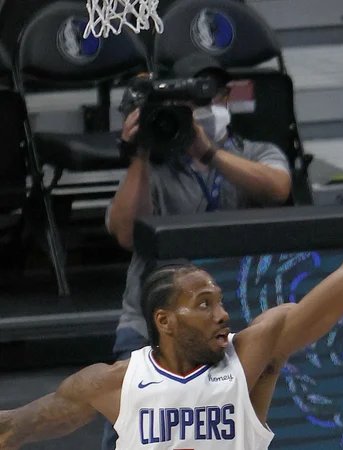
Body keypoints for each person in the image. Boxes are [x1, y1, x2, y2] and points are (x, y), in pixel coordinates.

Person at [0, 154, 343, 450]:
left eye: (219, 301)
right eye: (205, 303)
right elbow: (13, 430)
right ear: (165, 320)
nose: (223, 314)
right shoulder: (111, 383)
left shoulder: (253, 354)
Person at [101, 53, 293, 449]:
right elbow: (123, 232)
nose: (204, 110)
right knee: (127, 431)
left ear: (225, 98)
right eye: (193, 103)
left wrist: (207, 153)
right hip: (151, 324)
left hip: (227, 322)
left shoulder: (255, 151)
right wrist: (139, 154)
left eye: (211, 97)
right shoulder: (156, 165)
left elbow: (278, 188)